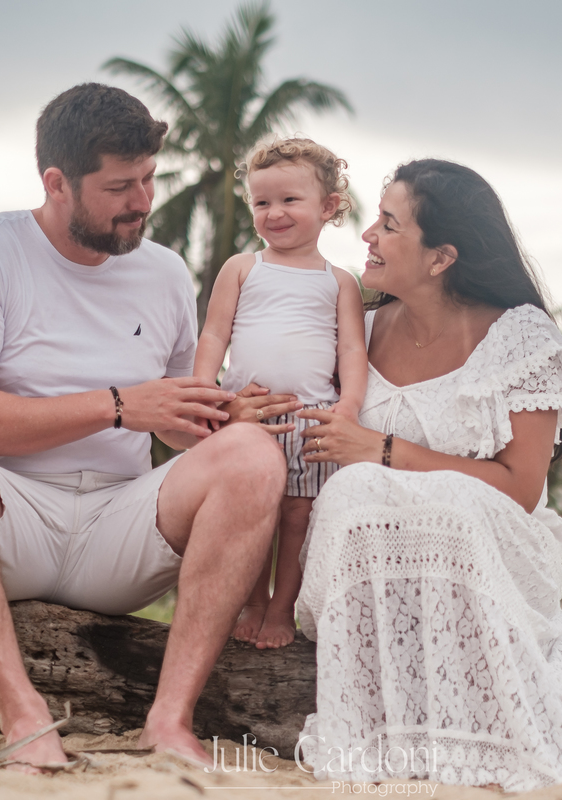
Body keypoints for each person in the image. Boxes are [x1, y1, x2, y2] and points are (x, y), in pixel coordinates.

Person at [0, 83, 297, 771]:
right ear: (56, 183)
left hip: (122, 530)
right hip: (10, 520)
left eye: (149, 179)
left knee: (251, 454)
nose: (142, 200)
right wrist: (117, 405)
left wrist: (224, 416)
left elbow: (173, 418)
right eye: (119, 187)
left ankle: (169, 721)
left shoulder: (164, 272)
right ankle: (24, 716)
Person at [292, 160, 562, 791]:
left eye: (389, 224)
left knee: (442, 496)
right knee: (352, 489)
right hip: (367, 557)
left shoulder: (521, 340)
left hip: (493, 548)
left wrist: (382, 449)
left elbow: (519, 488)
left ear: (441, 257)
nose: (368, 235)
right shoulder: (356, 331)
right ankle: (375, 740)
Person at [193, 138, 368, 649]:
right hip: (247, 414)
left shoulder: (340, 281)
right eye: (261, 202)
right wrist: (205, 390)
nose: (274, 213)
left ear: (328, 206)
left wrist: (349, 406)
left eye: (290, 200)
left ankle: (281, 607)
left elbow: (352, 350)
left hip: (311, 417)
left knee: (297, 516)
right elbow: (214, 334)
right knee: (252, 515)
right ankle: (251, 601)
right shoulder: (242, 267)